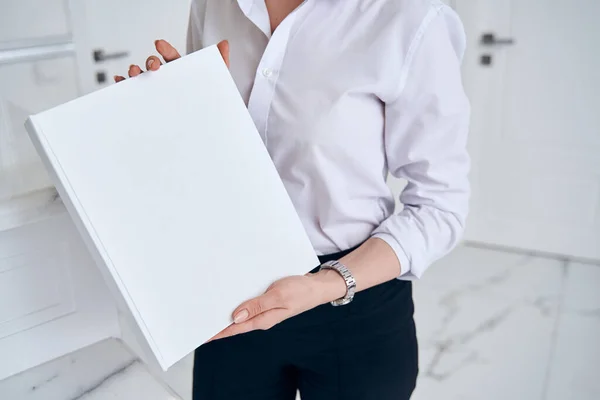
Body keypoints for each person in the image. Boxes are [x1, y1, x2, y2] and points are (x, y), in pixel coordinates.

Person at [116, 0, 470, 398]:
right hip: (232, 292)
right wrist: (164, 117)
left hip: (355, 302)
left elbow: (440, 206)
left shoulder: (408, 17)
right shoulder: (213, 6)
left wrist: (325, 285)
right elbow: (211, 163)